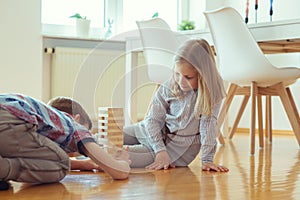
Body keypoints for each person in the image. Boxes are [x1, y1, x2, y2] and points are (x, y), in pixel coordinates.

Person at [123, 39, 229, 172]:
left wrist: (207, 160)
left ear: (203, 75)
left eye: (188, 77)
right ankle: (90, 149)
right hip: (151, 134)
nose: (180, 81)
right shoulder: (169, 86)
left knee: (117, 155)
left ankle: (95, 157)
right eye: (177, 74)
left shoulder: (212, 93)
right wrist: (159, 149)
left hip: (172, 151)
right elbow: (152, 120)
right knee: (107, 137)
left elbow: (208, 127)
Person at [0, 94, 131, 190]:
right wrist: (123, 161)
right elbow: (119, 172)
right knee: (62, 164)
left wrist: (86, 164)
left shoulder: (44, 118)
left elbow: (42, 160)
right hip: (9, 121)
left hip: (7, 118)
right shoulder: (74, 125)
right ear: (77, 119)